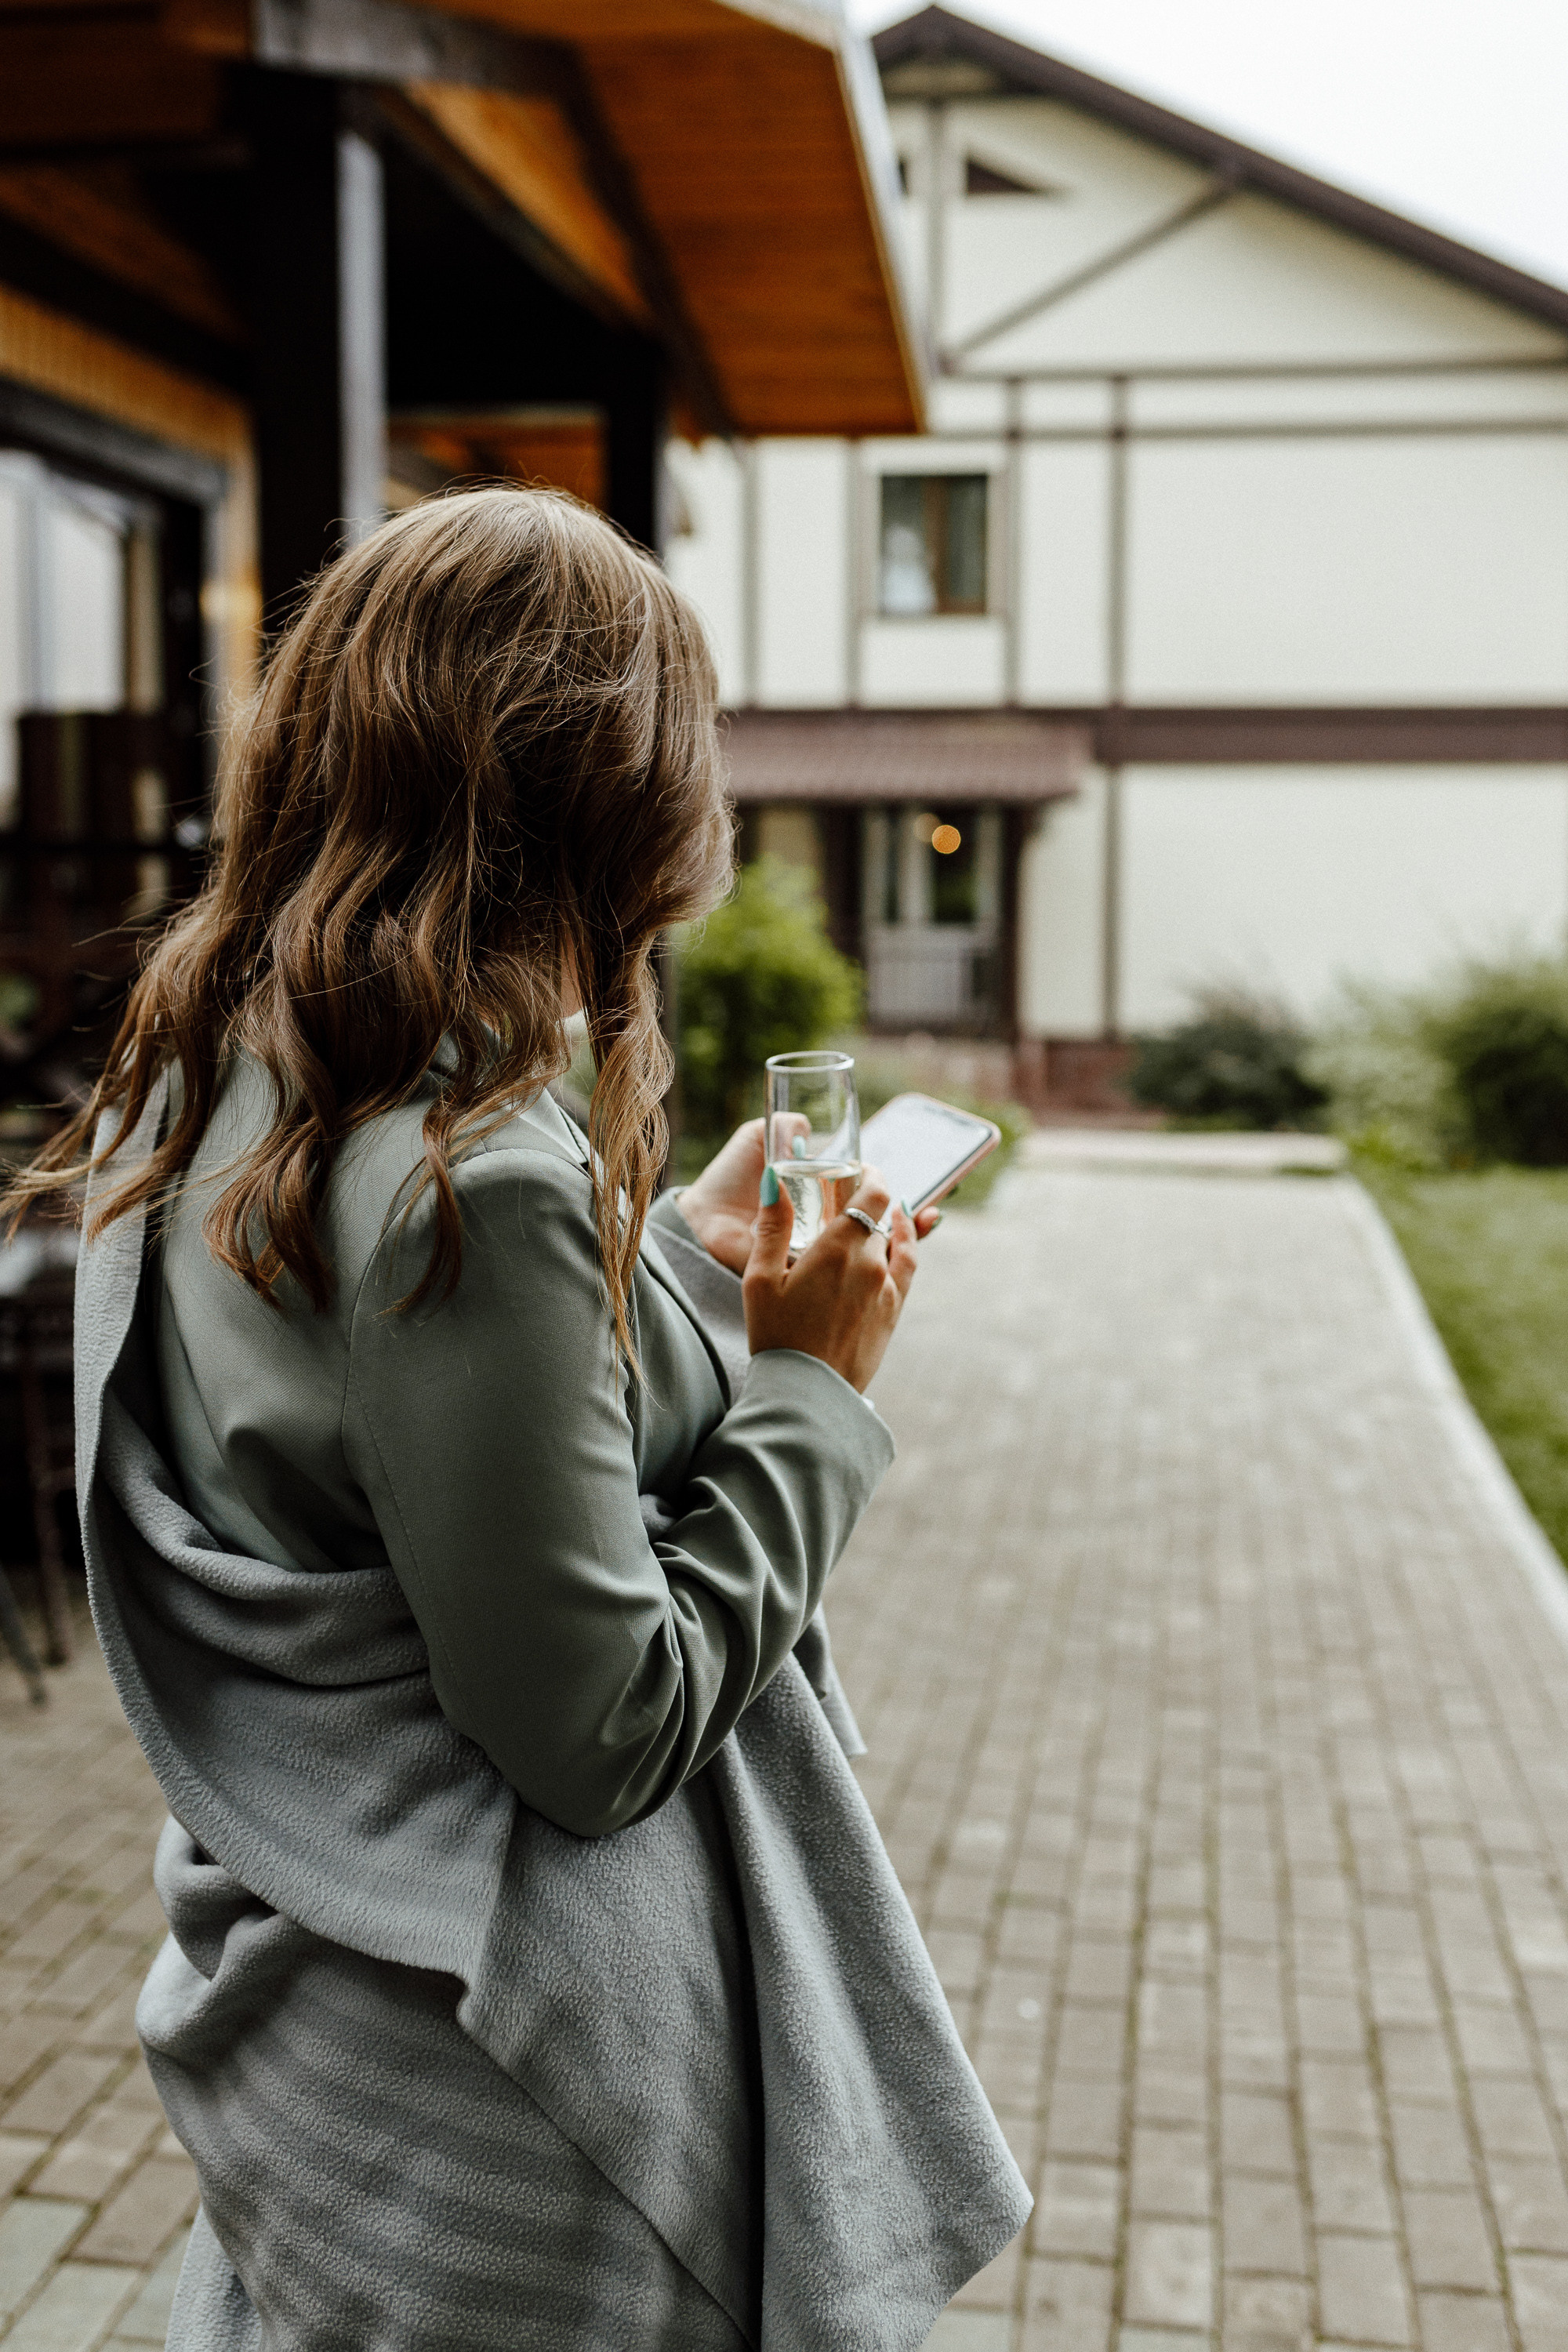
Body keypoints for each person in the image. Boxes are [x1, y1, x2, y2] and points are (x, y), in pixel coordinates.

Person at [9, 488, 1028, 2350]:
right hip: (493, 2077)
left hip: (319, 1973)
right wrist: (810, 1386)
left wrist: (684, 1275)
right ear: (603, 795)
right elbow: (600, 1723)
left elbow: (388, 1449)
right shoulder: (471, 1167)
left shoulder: (219, 1069)